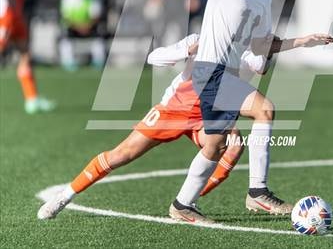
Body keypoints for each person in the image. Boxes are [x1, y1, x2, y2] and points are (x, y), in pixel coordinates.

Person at [108, 0, 333, 223]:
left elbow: (261, 44)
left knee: (216, 144)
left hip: (224, 74)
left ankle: (183, 204)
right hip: (208, 70)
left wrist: (303, 41)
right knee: (263, 111)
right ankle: (256, 193)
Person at [37, 34, 262, 220]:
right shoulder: (200, 38)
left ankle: (186, 202)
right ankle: (63, 196)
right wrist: (187, 50)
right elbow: (155, 57)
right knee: (122, 154)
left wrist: (271, 49)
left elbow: (259, 66)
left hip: (204, 113)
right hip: (172, 110)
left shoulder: (242, 48)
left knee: (232, 144)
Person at [58, 0, 106, 71]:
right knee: (65, 38)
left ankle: (98, 62)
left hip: (89, 27)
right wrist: (78, 27)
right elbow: (66, 17)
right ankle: (68, 62)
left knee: (98, 38)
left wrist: (87, 26)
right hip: (73, 27)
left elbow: (96, 16)